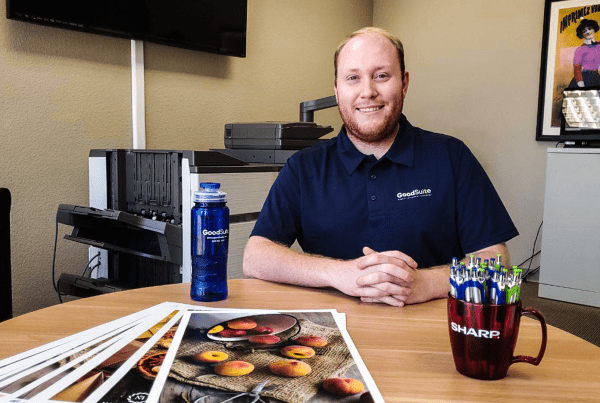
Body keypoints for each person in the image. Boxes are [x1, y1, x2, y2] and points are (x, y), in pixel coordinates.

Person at [243, 27, 519, 307]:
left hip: (433, 331)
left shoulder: (452, 156)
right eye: (353, 78)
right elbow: (256, 257)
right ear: (337, 90)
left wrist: (427, 283)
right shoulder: (304, 167)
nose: (368, 92)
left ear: (404, 83)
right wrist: (340, 273)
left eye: (381, 76)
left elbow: (497, 262)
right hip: (330, 334)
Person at [570, 19, 600, 88]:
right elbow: (577, 68)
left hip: (596, 77)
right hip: (585, 78)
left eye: (589, 29)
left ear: (594, 29)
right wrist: (581, 84)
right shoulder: (580, 49)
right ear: (582, 34)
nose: (588, 32)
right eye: (584, 31)